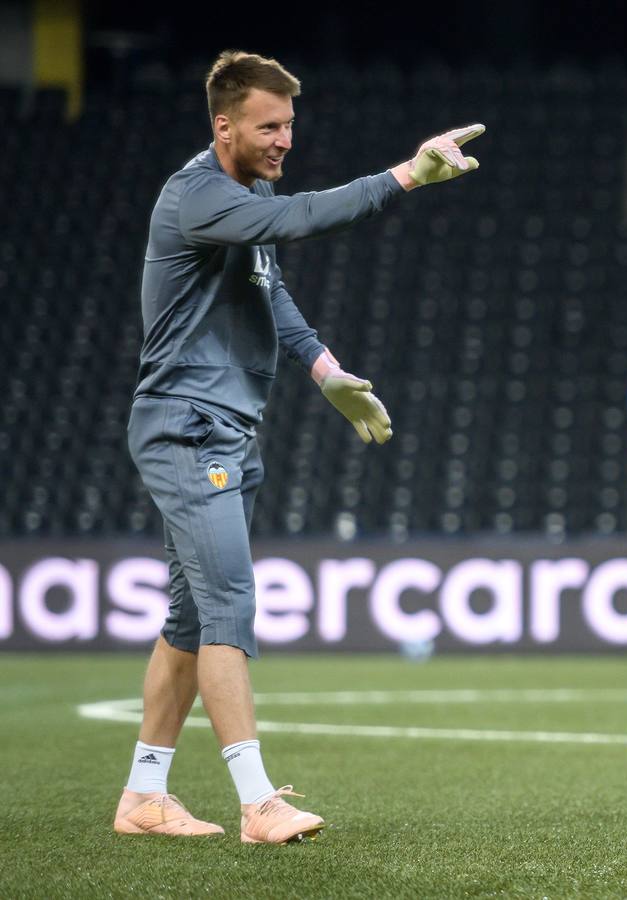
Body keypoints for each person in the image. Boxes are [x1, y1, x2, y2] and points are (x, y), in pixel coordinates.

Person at [114, 50, 484, 843]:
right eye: (268, 126)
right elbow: (301, 221)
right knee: (228, 605)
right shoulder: (198, 196)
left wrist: (326, 371)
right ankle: (257, 801)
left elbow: (270, 291)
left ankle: (144, 796)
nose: (284, 140)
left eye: (289, 124)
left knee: (188, 618)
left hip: (229, 427)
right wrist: (406, 177)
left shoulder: (246, 193)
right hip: (187, 424)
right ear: (224, 126)